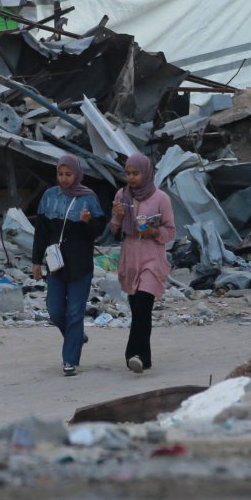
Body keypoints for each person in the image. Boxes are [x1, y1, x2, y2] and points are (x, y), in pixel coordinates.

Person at [30, 155, 106, 377]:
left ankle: (69, 360)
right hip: (55, 264)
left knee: (74, 312)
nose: (64, 179)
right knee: (54, 311)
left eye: (68, 174)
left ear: (77, 175)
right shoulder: (49, 197)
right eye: (60, 174)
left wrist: (87, 222)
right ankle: (76, 336)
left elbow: (99, 230)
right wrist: (36, 262)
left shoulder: (88, 198)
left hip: (80, 264)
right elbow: (41, 232)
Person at [110, 153, 175, 374]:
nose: (131, 178)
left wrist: (154, 231)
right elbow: (113, 231)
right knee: (137, 309)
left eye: (135, 173)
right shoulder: (121, 195)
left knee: (143, 307)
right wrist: (117, 217)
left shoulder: (160, 199)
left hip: (152, 259)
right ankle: (144, 359)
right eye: (128, 173)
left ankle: (133, 354)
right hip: (130, 259)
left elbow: (170, 230)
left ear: (146, 173)